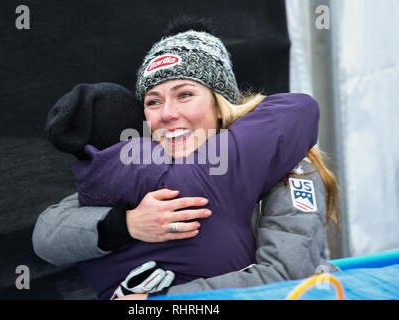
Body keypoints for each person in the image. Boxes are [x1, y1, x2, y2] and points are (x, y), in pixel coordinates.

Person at [33, 18, 339, 300]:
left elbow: (285, 278)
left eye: (184, 95)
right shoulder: (146, 168)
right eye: (153, 101)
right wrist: (127, 224)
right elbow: (49, 231)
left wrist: (162, 300)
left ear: (220, 104)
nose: (167, 114)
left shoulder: (291, 167)